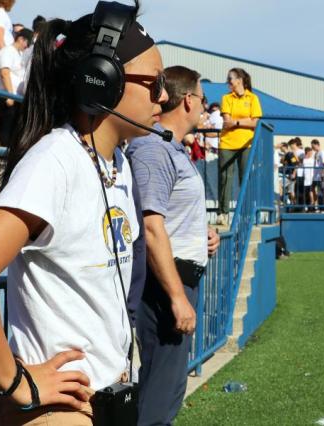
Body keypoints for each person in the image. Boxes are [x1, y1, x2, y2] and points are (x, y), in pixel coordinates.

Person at [0, 3, 168, 422]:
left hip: (105, 399)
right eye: (155, 84)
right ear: (102, 83)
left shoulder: (117, 164)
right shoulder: (54, 161)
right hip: (60, 411)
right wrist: (17, 383)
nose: (165, 97)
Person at [127, 65, 220, 426]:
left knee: (169, 389)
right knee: (159, 394)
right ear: (186, 101)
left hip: (179, 279)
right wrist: (177, 297)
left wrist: (204, 235)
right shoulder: (153, 148)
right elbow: (151, 227)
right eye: (202, 99)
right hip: (166, 284)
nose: (205, 108)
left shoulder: (173, 148)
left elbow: (170, 215)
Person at [217, 67, 262, 225]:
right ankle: (223, 213)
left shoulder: (253, 98)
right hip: (227, 143)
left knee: (245, 179)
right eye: (228, 79)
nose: (228, 81)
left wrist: (237, 122)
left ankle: (245, 213)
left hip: (246, 144)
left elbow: (256, 122)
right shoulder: (226, 98)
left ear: (240, 80)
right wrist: (245, 122)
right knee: (225, 178)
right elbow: (226, 122)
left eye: (231, 78)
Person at [0, 28, 31, 147]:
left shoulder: (18, 54)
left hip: (16, 98)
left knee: (14, 130)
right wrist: (10, 95)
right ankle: (3, 155)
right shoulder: (7, 51)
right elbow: (4, 72)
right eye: (27, 43)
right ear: (21, 39)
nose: (27, 46)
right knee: (7, 129)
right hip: (7, 96)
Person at [302, 146, 314, 211]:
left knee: (310, 192)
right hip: (305, 179)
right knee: (306, 193)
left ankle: (312, 205)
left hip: (311, 179)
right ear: (308, 152)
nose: (311, 154)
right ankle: (307, 206)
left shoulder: (312, 160)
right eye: (310, 152)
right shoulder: (303, 160)